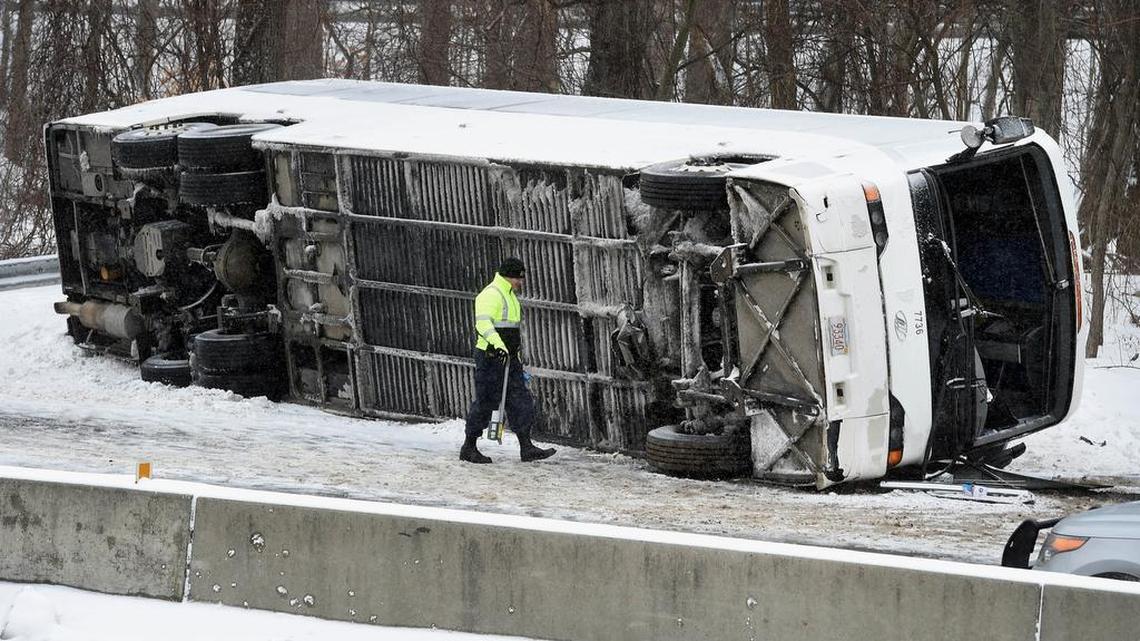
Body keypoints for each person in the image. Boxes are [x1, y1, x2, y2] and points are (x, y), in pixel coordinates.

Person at [461, 257, 556, 464]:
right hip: (491, 357)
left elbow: (511, 331)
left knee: (521, 400)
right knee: (486, 402)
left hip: (510, 359)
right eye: (518, 279)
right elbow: (484, 325)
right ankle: (469, 447)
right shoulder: (490, 295)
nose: (521, 283)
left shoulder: (510, 295)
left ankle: (526, 447)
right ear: (509, 276)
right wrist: (499, 346)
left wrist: (515, 355)